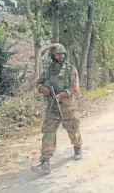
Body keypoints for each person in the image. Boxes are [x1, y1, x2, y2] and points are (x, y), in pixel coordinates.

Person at [31, 43, 83, 175]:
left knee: (73, 129)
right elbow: (38, 83)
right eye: (58, 54)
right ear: (53, 56)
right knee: (48, 132)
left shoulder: (71, 70)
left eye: (62, 54)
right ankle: (45, 161)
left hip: (67, 106)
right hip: (52, 107)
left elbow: (75, 89)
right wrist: (43, 89)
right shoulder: (48, 70)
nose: (60, 56)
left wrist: (61, 94)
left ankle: (77, 148)